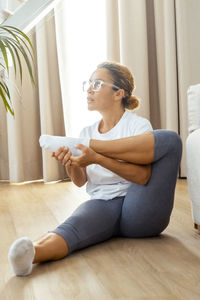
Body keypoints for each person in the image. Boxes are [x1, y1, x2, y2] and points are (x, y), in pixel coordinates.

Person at [8, 61, 182, 277]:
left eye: (97, 83)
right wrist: (71, 164)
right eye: (88, 83)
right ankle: (30, 254)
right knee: (72, 227)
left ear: (119, 93)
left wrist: (97, 157)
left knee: (169, 139)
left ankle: (34, 252)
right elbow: (81, 181)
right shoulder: (87, 131)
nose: (89, 89)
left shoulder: (138, 126)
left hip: (139, 206)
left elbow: (143, 176)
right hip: (103, 203)